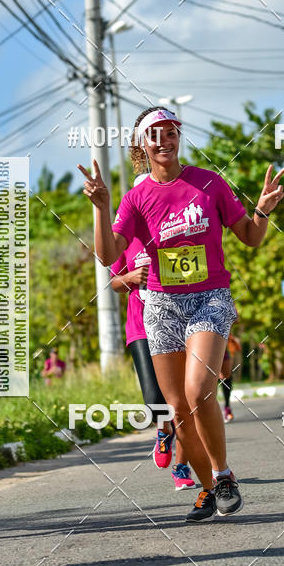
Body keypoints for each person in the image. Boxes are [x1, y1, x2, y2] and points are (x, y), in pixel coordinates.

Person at [79, 106, 284, 522]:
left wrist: (261, 210)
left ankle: (224, 475)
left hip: (210, 296)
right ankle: (207, 489)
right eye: (153, 134)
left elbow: (249, 236)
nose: (163, 140)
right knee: (178, 409)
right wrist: (101, 206)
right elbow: (108, 255)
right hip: (161, 305)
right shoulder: (136, 198)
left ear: (177, 136)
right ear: (142, 145)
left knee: (198, 390)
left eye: (170, 131)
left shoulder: (208, 183)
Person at [110, 174, 196, 491]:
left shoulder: (179, 228)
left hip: (181, 322)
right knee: (155, 401)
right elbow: (114, 282)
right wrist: (131, 276)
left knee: (186, 401)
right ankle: (164, 430)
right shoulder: (125, 236)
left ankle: (183, 466)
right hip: (141, 326)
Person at [219, 331, 241, 422]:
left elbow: (236, 318)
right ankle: (210, 412)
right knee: (209, 379)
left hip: (220, 340)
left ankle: (227, 407)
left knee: (225, 375)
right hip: (199, 341)